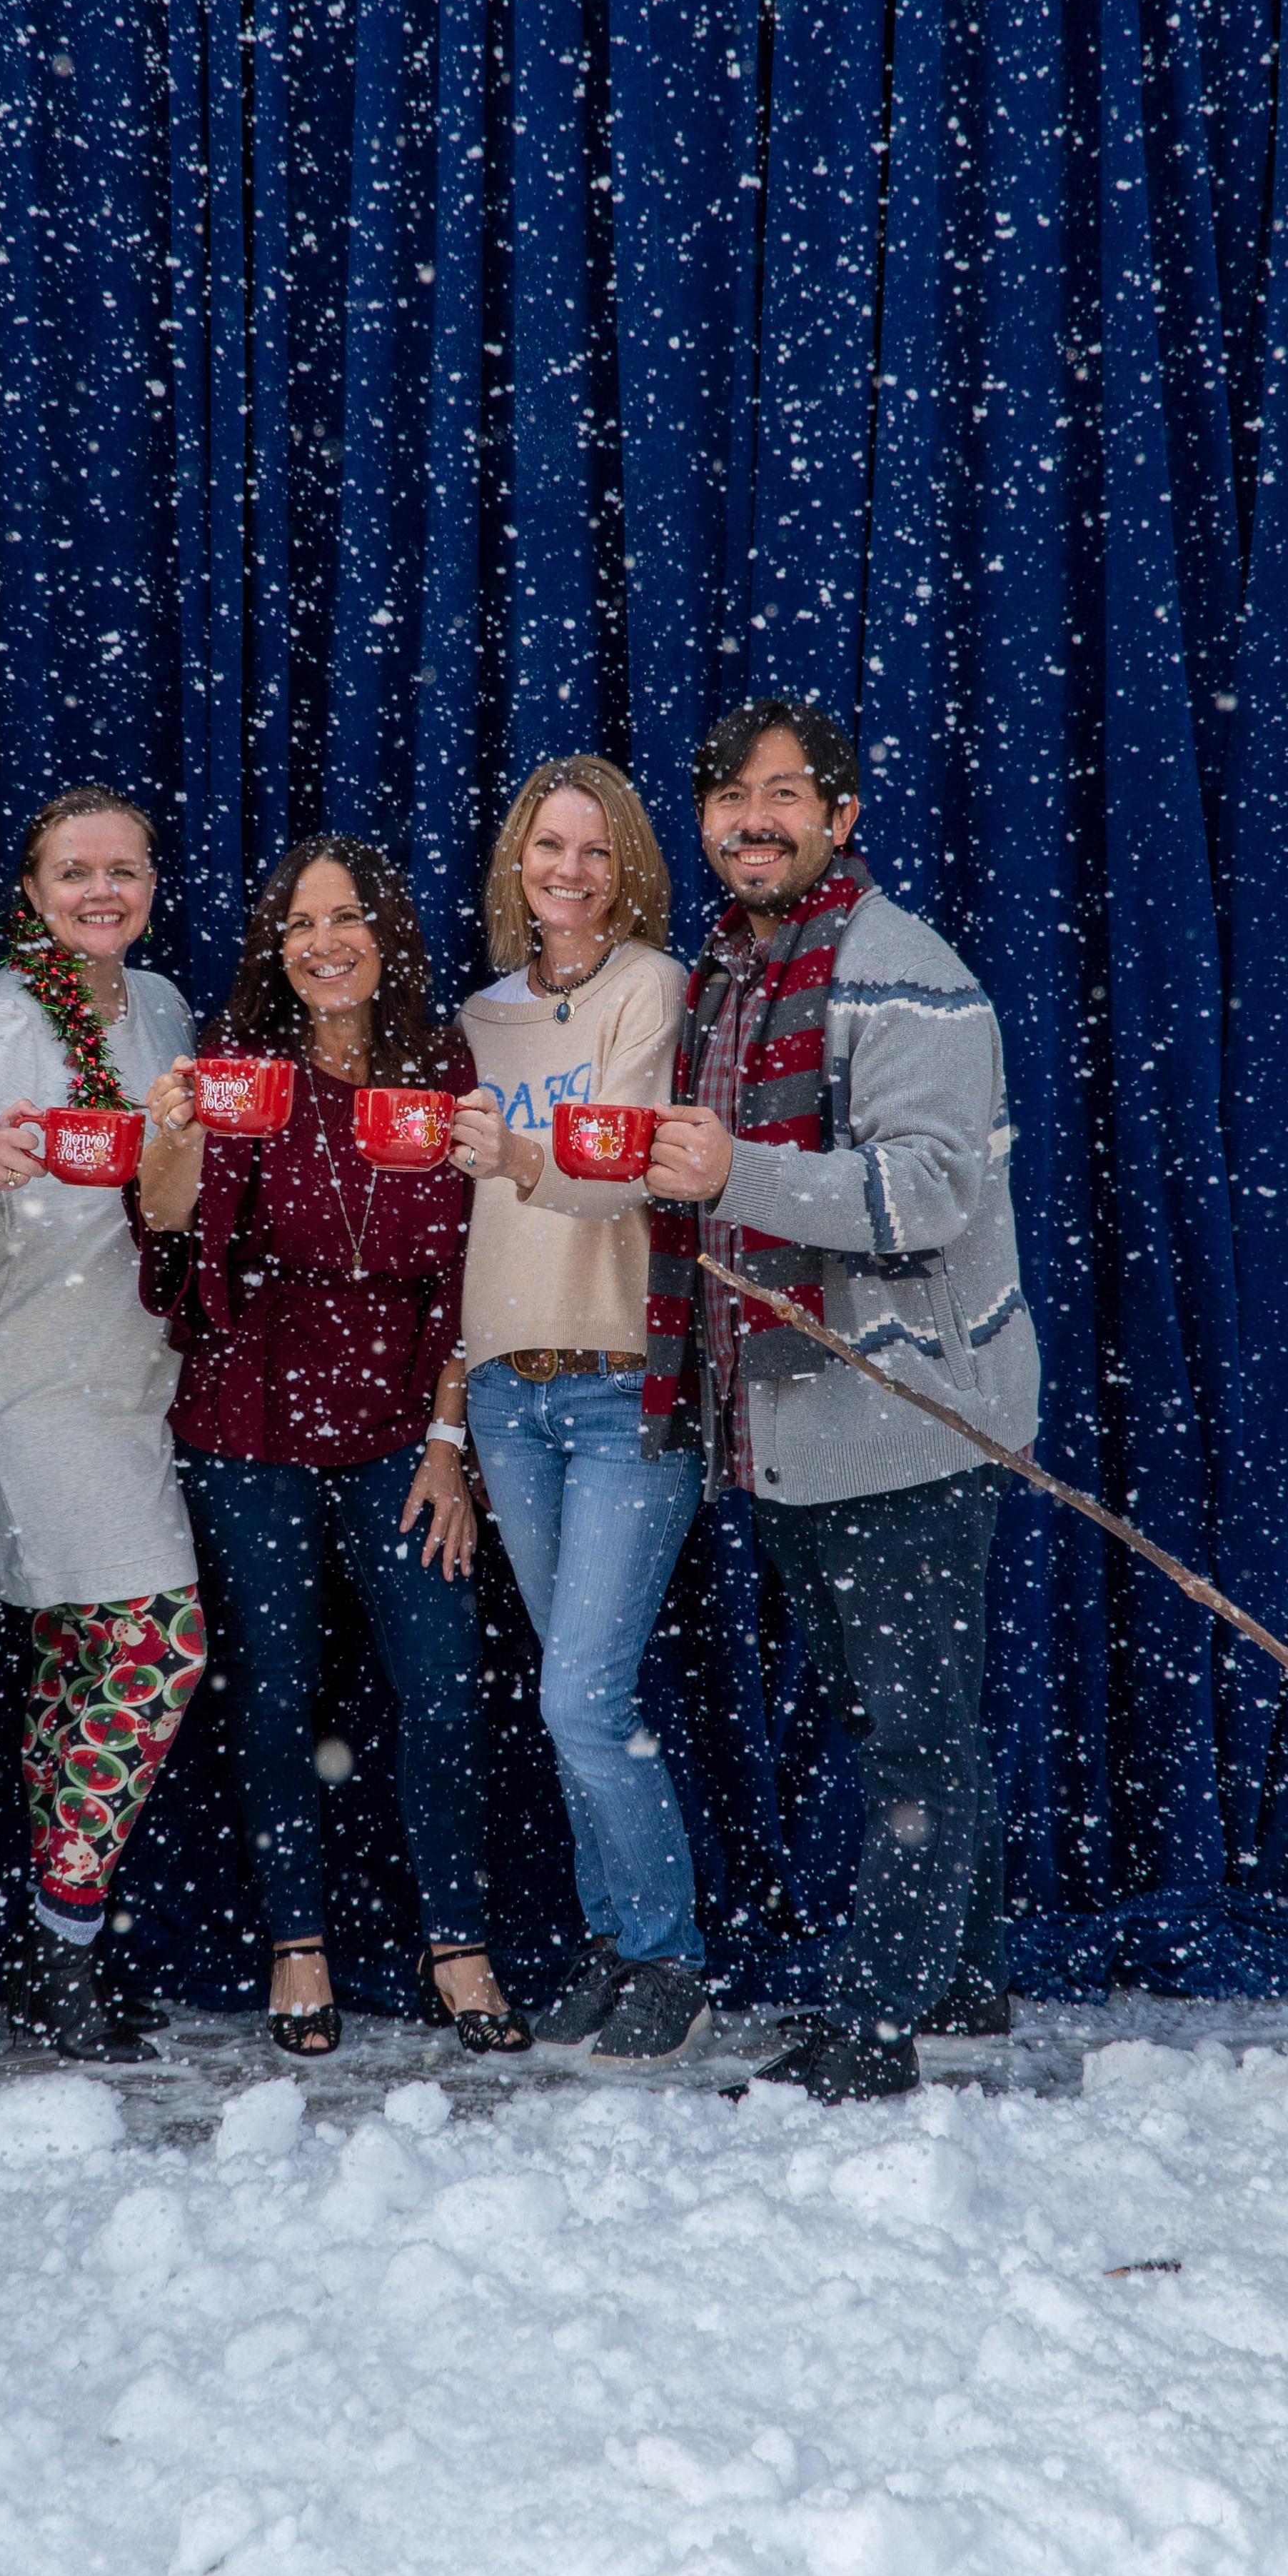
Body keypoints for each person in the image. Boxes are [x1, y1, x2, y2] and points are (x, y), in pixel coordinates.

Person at [641, 698, 1040, 2103]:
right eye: (728, 795)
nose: (752, 818)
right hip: (794, 1422)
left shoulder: (900, 974)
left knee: (911, 1732)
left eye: (783, 794)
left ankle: (875, 2020)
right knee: (909, 1717)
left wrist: (729, 1175)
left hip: (907, 1414)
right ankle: (965, 1971)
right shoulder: (734, 974)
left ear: (841, 816)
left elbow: (932, 1190)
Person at [135, 837, 527, 2058]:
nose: (324, 940)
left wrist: (448, 1440)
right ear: (275, 948)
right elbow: (164, 1227)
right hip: (250, 1413)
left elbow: (480, 1271)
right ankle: (295, 1943)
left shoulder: (445, 1071)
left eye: (348, 916)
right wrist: (172, 1130)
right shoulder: (239, 1072)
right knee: (273, 1690)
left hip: (405, 1421)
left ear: (386, 934)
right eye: (299, 922)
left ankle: (455, 1941)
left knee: (442, 1684)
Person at [0, 786, 211, 2061]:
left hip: (134, 1379)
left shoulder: (159, 1009)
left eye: (125, 870)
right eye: (74, 872)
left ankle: (63, 1945)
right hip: (30, 1385)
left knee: (83, 1667)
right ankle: (62, 1941)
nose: (103, 891)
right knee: (159, 1648)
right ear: (32, 891)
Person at [440, 759, 711, 2063]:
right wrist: (451, 1416)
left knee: (581, 1700)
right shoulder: (478, 1018)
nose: (570, 871)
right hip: (507, 1390)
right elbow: (455, 1236)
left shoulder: (646, 988)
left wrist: (520, 1155)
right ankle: (612, 1941)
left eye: (595, 852)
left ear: (628, 869)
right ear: (516, 862)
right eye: (549, 847)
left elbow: (624, 1179)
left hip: (619, 1385)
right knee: (567, 1689)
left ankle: (668, 1955)